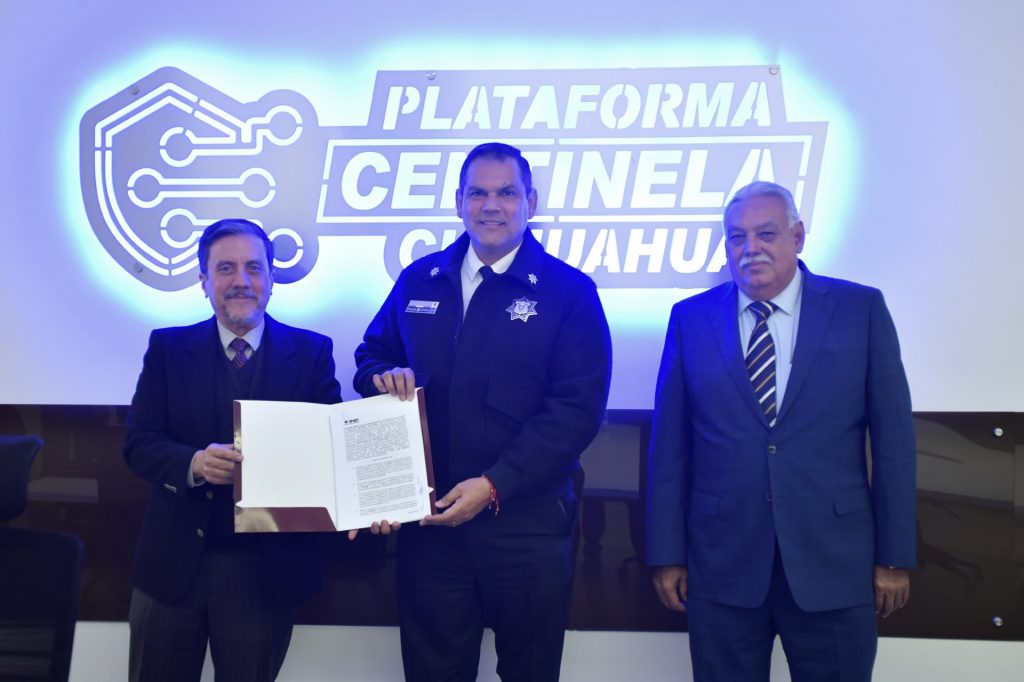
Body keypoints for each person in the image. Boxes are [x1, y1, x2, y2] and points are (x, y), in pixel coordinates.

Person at [354, 142, 612, 681]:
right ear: (459, 202)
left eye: (506, 193)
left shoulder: (570, 293)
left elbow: (575, 412)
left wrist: (495, 485)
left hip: (527, 530)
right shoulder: (418, 280)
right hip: (432, 529)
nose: (491, 205)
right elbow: (370, 356)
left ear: (531, 202)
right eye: (478, 193)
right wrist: (382, 376)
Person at [645, 181, 916, 681]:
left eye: (766, 233)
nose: (750, 248)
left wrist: (895, 557)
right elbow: (669, 449)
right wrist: (666, 556)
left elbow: (894, 443)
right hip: (722, 565)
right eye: (737, 237)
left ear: (798, 236)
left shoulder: (860, 310)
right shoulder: (690, 319)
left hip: (834, 564)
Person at [124, 219, 346, 681]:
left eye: (253, 267)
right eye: (225, 268)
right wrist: (194, 463)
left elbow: (332, 454)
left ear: (271, 279)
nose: (241, 280)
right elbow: (138, 443)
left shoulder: (312, 354)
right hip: (172, 568)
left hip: (264, 574)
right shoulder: (167, 348)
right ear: (204, 281)